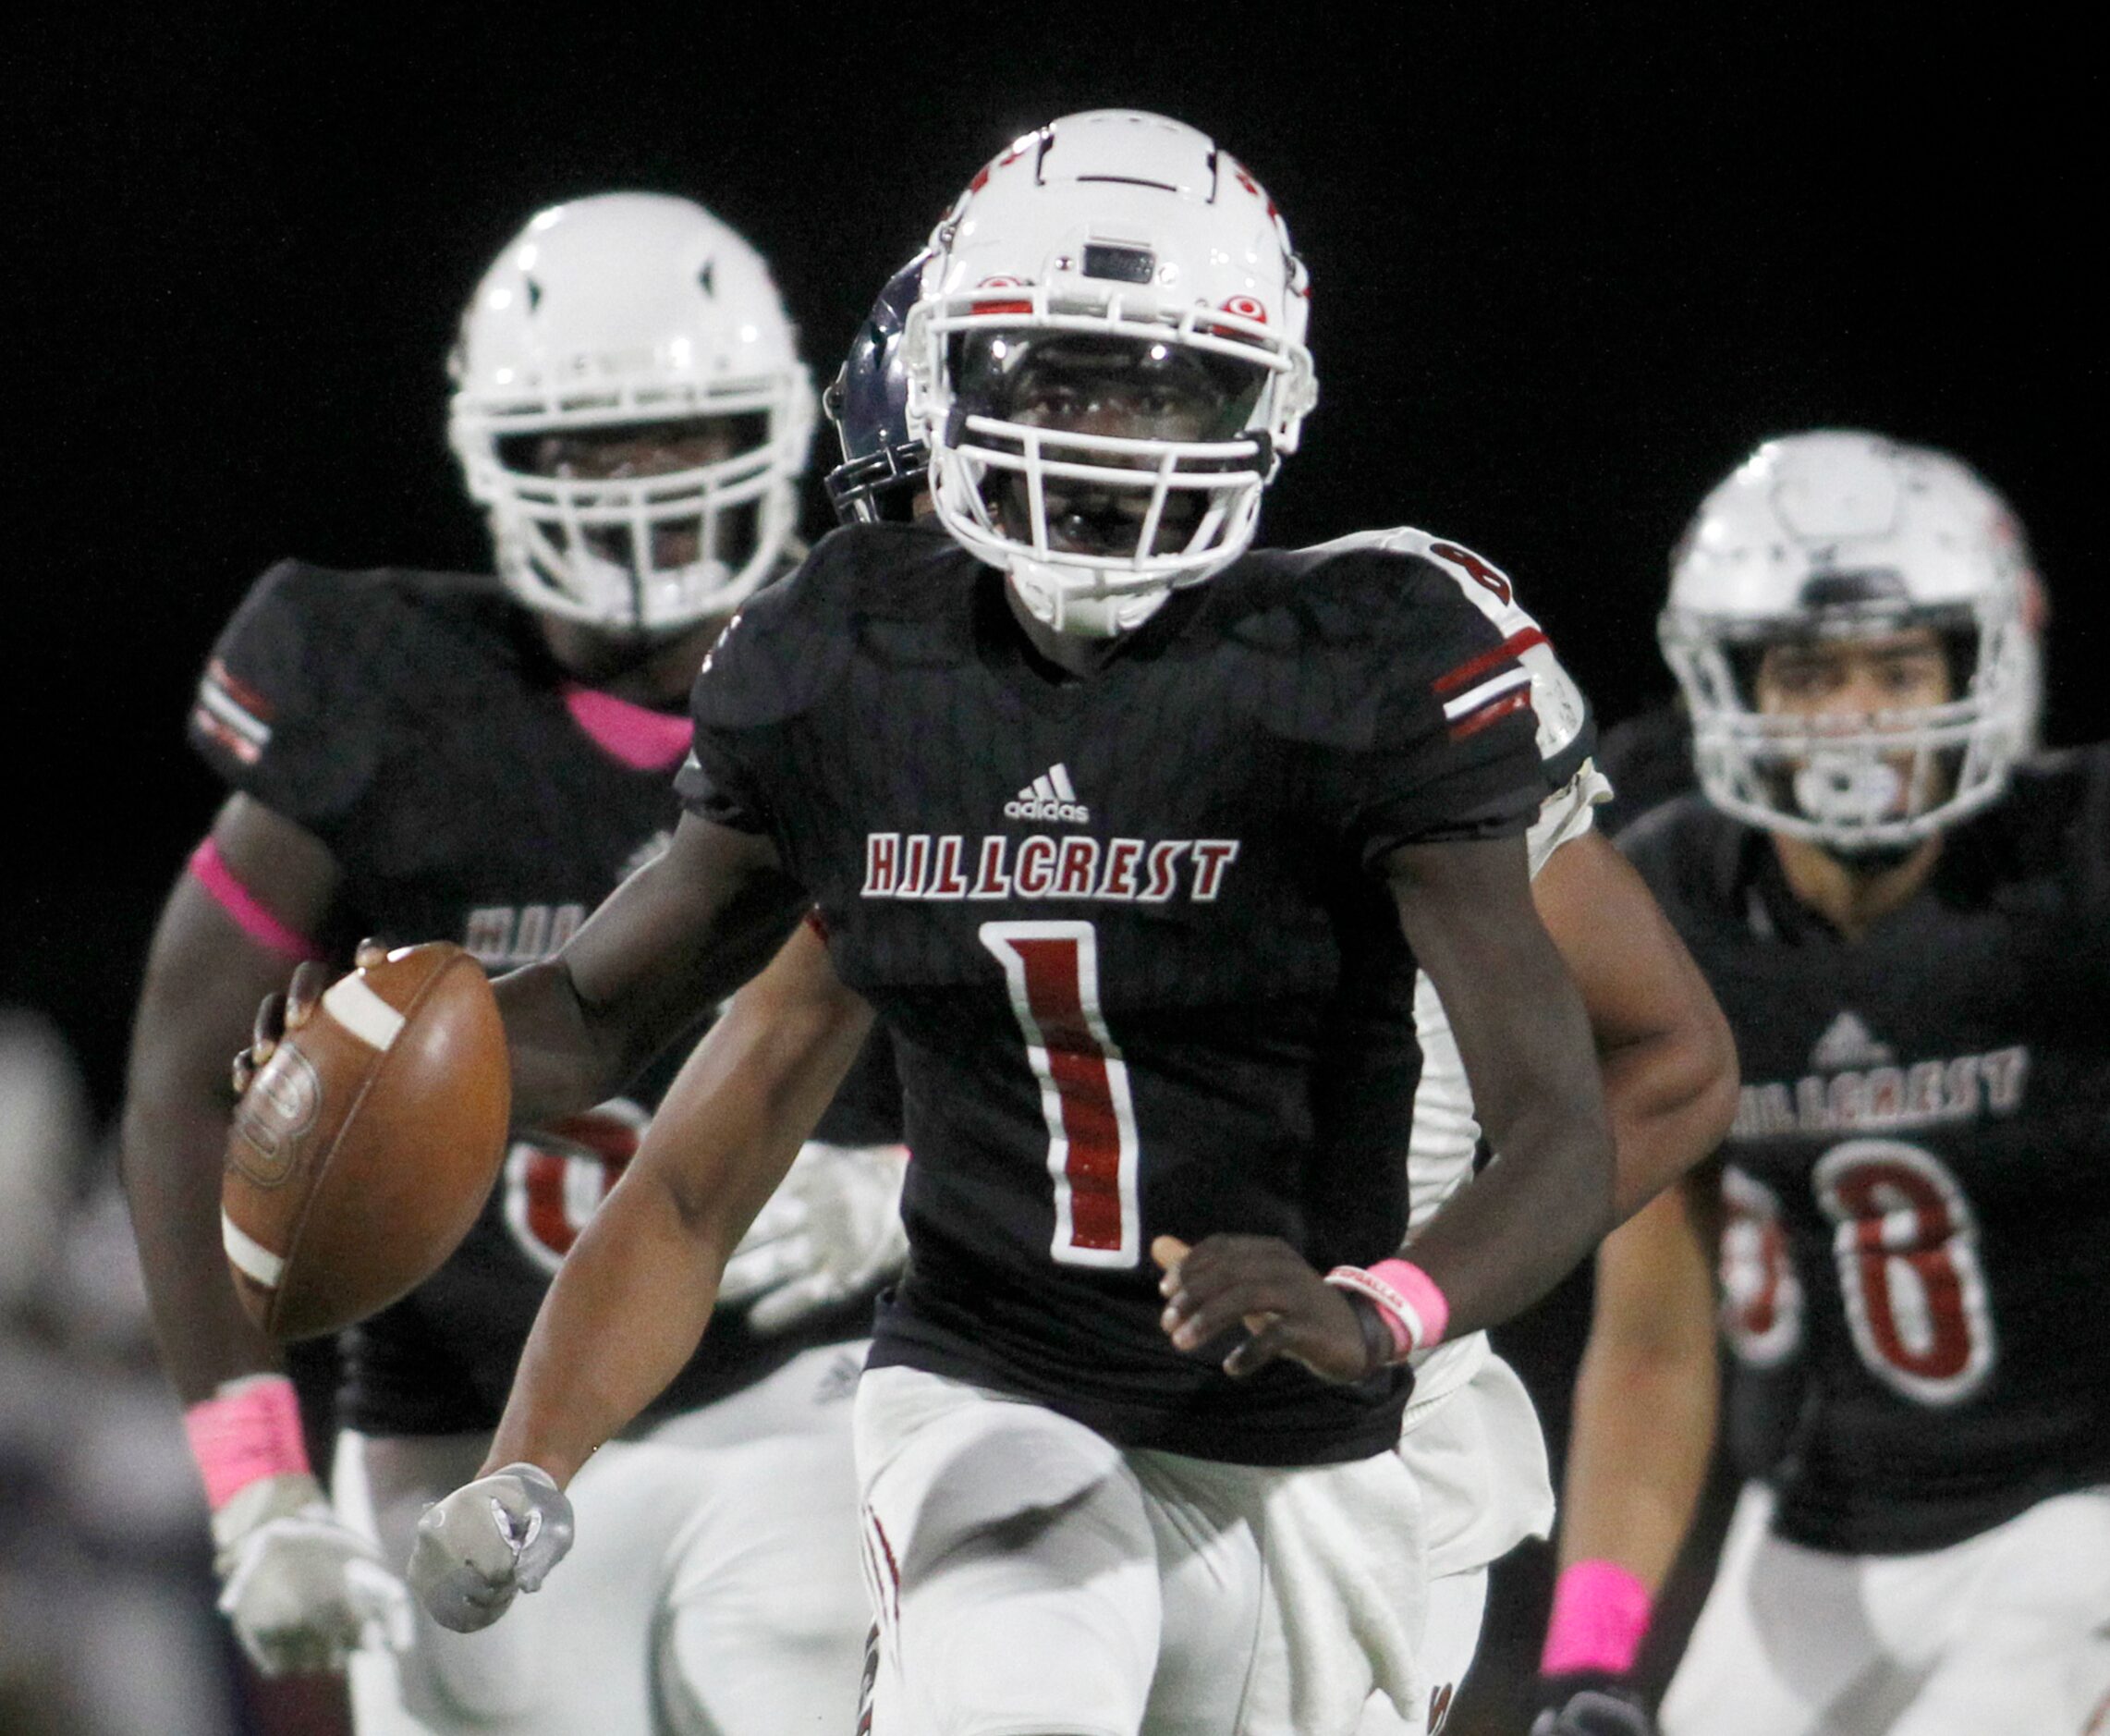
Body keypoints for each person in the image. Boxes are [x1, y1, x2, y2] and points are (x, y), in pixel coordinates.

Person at [297, 109, 1705, 1735]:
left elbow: (1609, 1093)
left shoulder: (1369, 664)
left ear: (1264, 403)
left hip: (1336, 1440)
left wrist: (1398, 1300)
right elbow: (661, 1095)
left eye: (1154, 386)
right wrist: (390, 1037)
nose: (1090, 452)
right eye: (1047, 380)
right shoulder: (855, 678)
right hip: (999, 1378)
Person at [121, 190, 910, 1735]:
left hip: (792, 1393)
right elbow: (177, 1080)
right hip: (457, 1423)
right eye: (588, 446)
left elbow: (1065, 1003)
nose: (634, 488)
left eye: (673, 437)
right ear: (495, 451)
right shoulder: (380, 688)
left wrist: (902, 1189)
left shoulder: (875, 676)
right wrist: (256, 1480)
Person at [1532, 431, 2110, 1736]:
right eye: (1808, 669)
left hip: (2079, 1517)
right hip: (1819, 1523)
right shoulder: (1668, 904)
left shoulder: (2078, 877)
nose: (1855, 711)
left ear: (1977, 665)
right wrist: (1588, 1657)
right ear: (1728, 679)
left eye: (1899, 665)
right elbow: (1655, 1342)